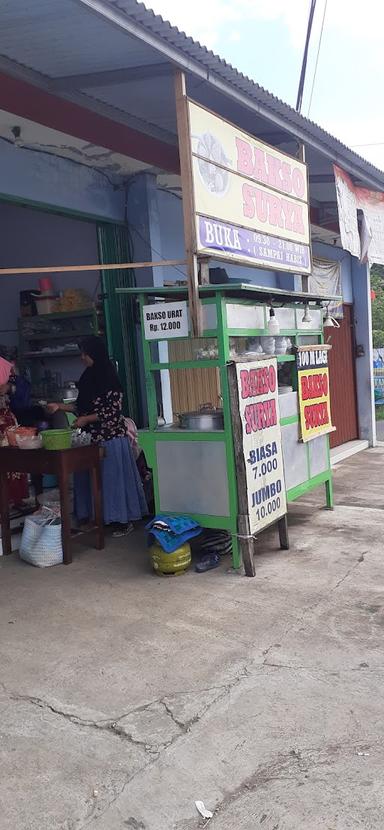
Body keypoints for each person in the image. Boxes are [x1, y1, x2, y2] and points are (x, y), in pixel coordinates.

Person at [48, 336, 147, 535]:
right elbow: (80, 406)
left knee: (111, 481)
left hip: (110, 438)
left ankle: (121, 521)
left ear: (94, 353)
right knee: (88, 479)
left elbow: (113, 410)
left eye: (85, 353)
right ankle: (94, 518)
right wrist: (60, 406)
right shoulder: (87, 378)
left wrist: (86, 419)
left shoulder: (109, 378)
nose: (82, 357)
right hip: (89, 439)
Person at [0, 378, 29, 506]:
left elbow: (23, 391)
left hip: (6, 420)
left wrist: (9, 387)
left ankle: (16, 497)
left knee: (13, 458)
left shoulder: (6, 371)